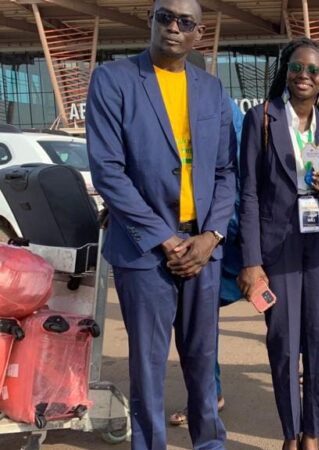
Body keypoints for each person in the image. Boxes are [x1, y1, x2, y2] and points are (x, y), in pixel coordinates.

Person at [85, 0, 236, 447]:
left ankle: (209, 441)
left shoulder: (210, 89)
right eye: (164, 17)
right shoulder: (113, 80)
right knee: (148, 364)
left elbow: (226, 172)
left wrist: (211, 236)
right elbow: (108, 171)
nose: (173, 27)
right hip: (144, 249)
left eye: (184, 22)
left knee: (202, 356)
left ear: (198, 33)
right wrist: (165, 239)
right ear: (150, 21)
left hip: (203, 248)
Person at [237, 37, 319, 450]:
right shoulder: (261, 118)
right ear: (286, 71)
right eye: (297, 67)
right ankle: (289, 431)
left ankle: (312, 433)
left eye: (314, 70)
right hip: (275, 246)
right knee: (283, 343)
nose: (304, 76)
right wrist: (250, 260)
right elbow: (247, 192)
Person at [168, 51, 245, 428]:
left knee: (278, 307)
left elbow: (239, 174)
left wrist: (222, 231)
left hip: (228, 235)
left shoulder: (223, 109)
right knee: (197, 322)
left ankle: (299, 370)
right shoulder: (162, 108)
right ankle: (207, 394)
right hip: (190, 237)